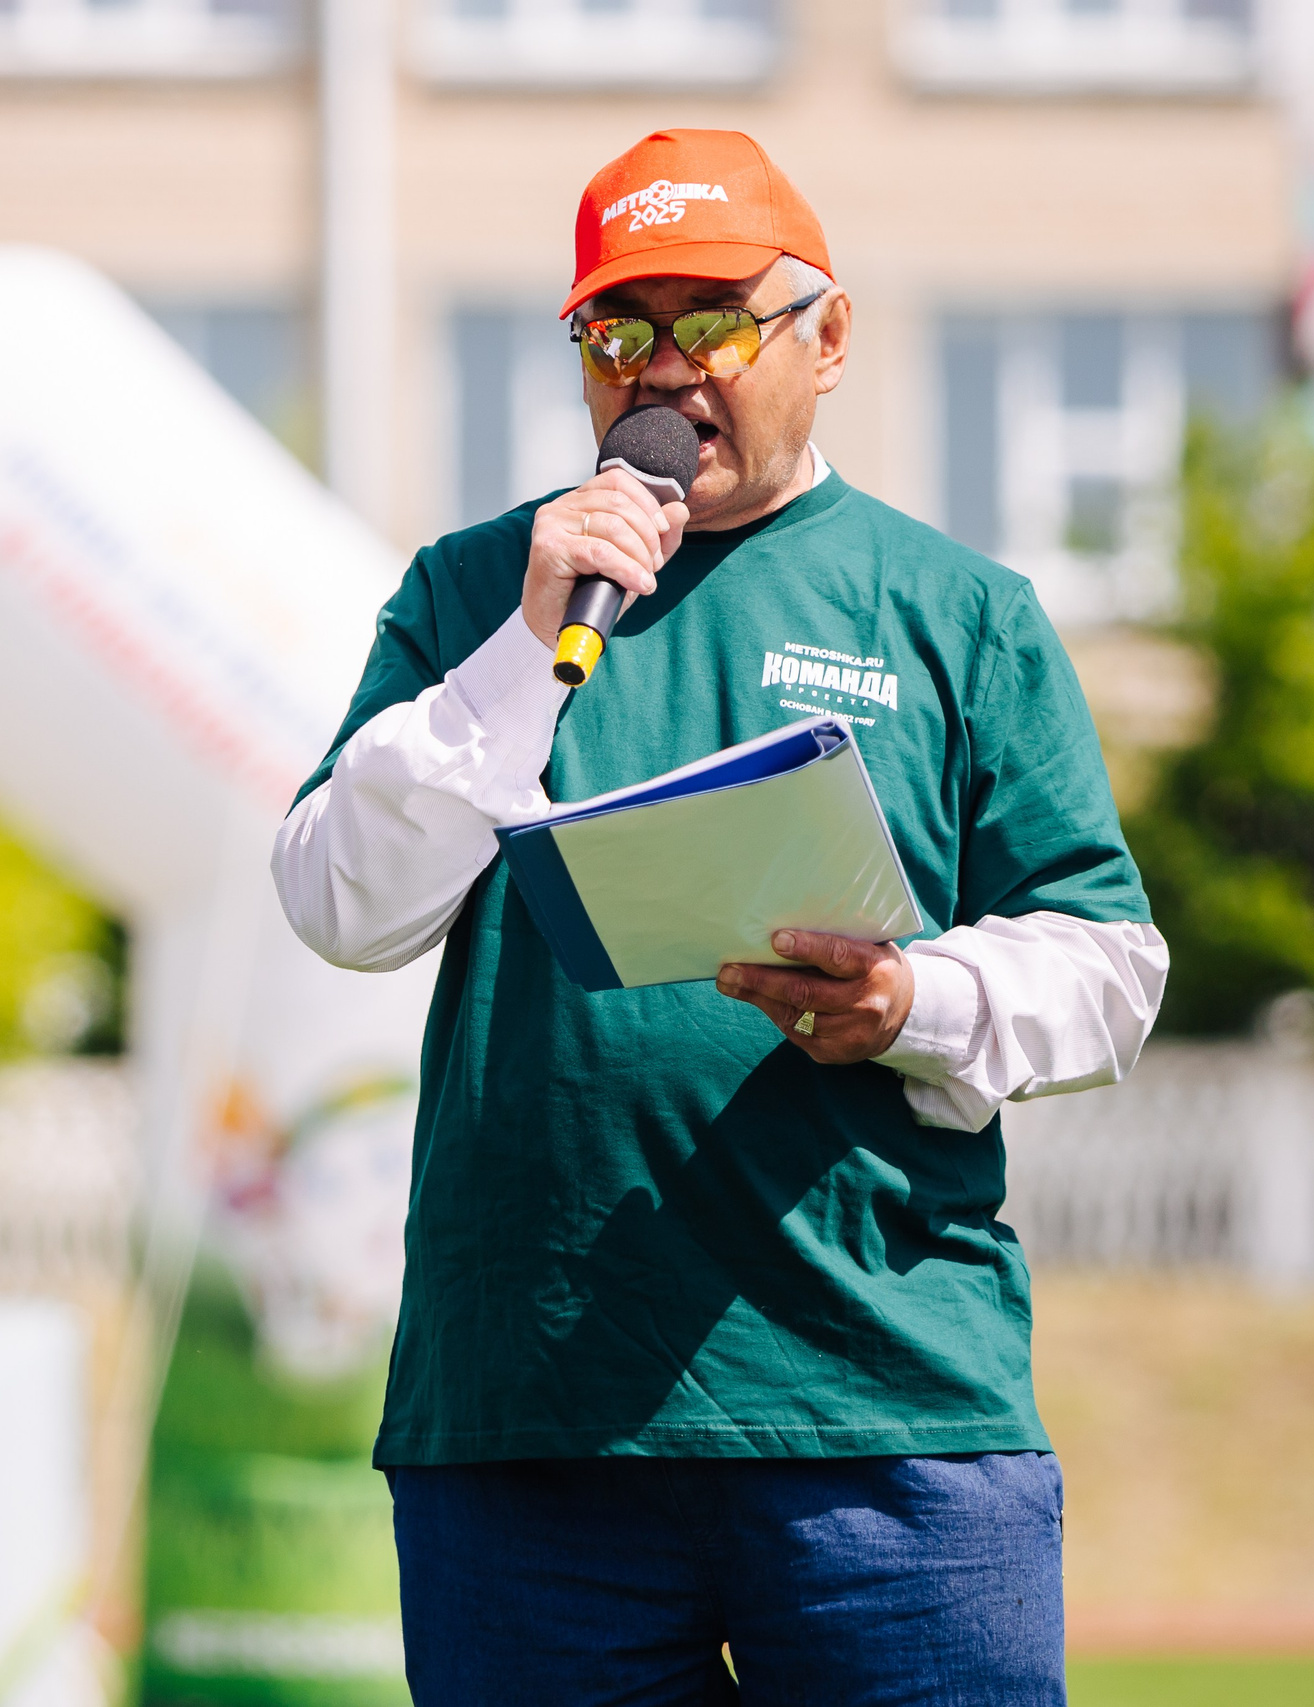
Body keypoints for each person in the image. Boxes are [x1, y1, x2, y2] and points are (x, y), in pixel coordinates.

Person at [272, 130, 1170, 1704]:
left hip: (880, 1418)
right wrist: (518, 651)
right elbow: (341, 903)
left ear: (828, 338)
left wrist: (915, 1003)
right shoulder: (477, 586)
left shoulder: (958, 611)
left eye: (714, 325)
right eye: (621, 332)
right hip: (528, 1419)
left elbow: (1107, 965)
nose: (664, 374)